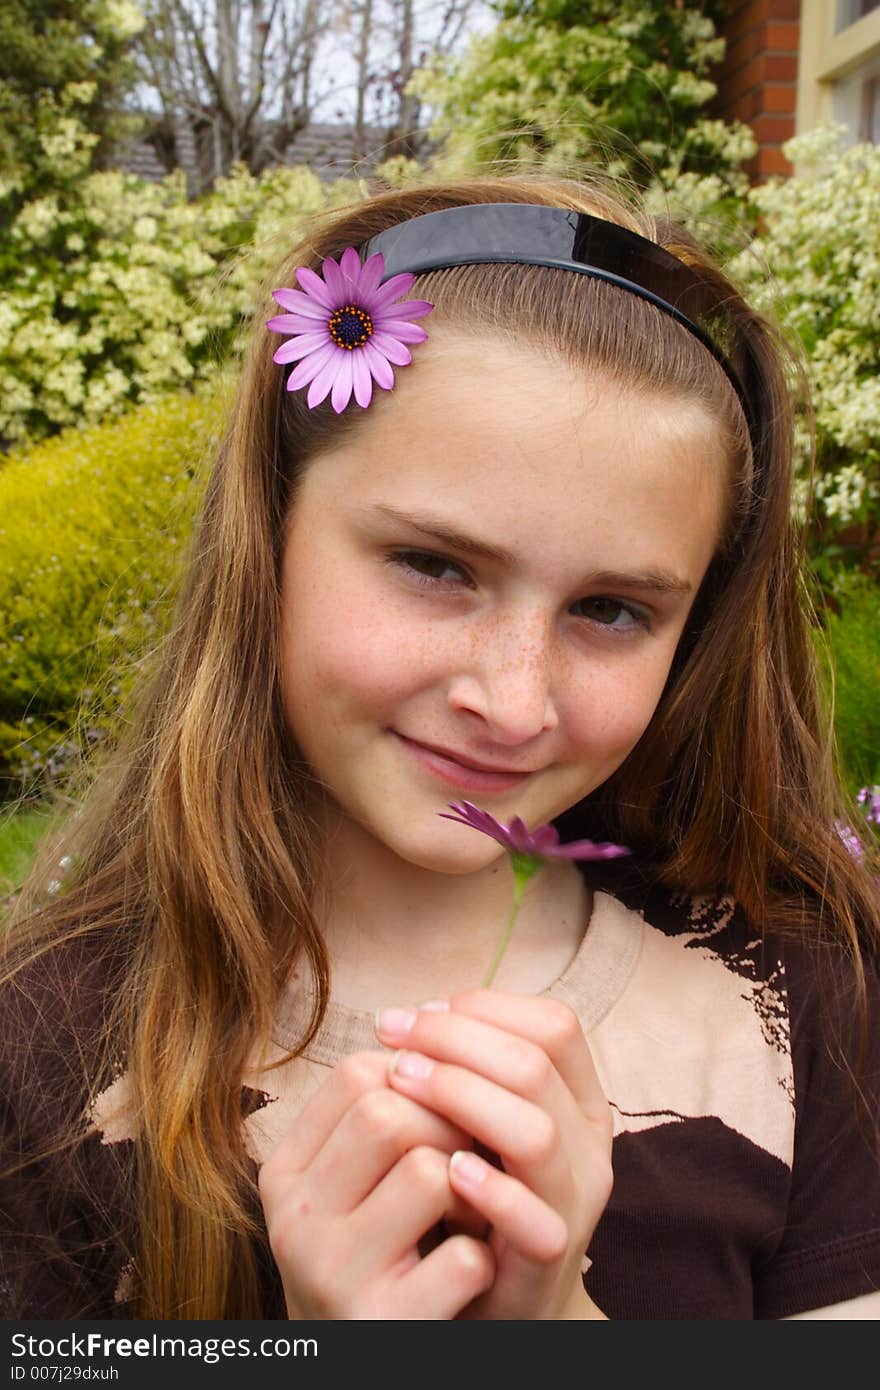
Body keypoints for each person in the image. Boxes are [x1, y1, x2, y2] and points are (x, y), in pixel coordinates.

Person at [2, 171, 879, 1322]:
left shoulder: (806, 993)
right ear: (271, 532)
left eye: (611, 609)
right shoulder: (47, 1048)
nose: (514, 703)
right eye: (435, 565)